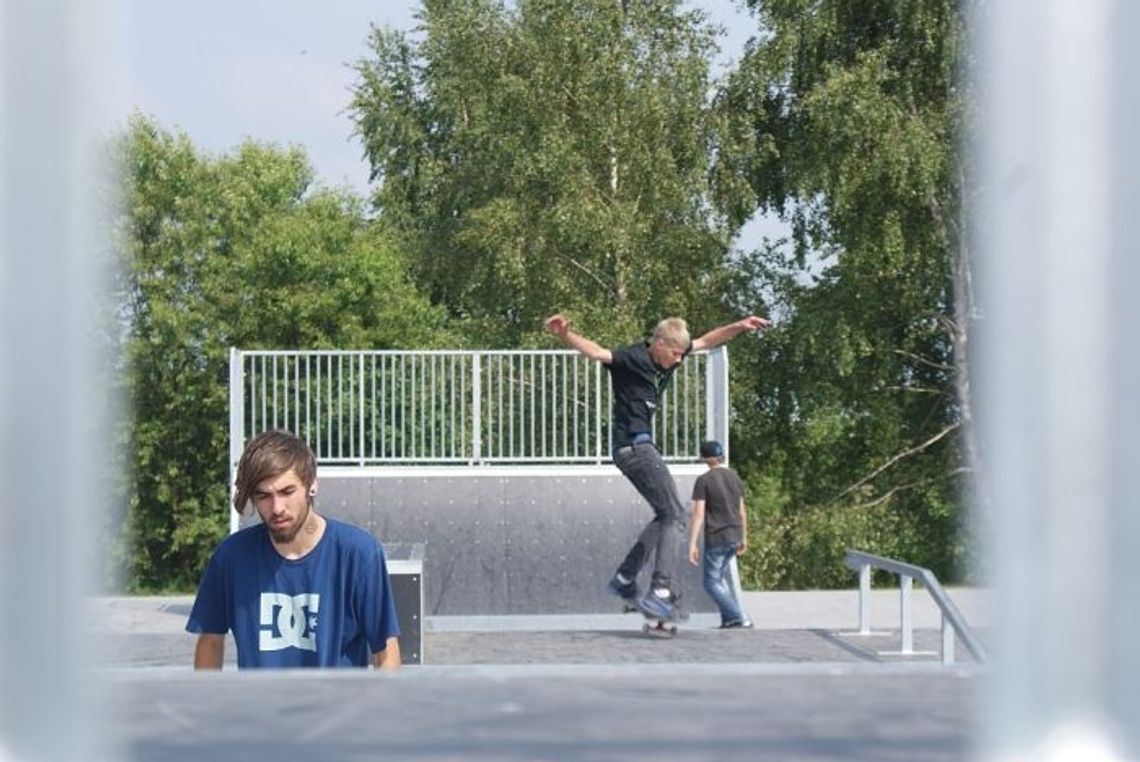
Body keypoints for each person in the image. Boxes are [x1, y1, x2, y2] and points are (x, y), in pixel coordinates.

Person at [544, 312, 770, 621]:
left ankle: (625, 577)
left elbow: (706, 340)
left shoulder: (675, 352)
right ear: (659, 343)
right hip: (636, 447)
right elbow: (596, 352)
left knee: (666, 514)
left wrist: (740, 326)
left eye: (681, 355)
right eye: (674, 354)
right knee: (677, 515)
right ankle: (660, 590)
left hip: (634, 449)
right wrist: (565, 334)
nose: (677, 362)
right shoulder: (630, 358)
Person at [186, 429, 402, 669]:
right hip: (259, 706)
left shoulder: (359, 553)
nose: (277, 507)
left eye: (287, 492)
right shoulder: (231, 557)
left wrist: (383, 705)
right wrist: (205, 704)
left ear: (311, 485)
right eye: (263, 496)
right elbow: (210, 642)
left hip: (340, 705)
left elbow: (385, 651)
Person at [688, 440, 753, 629]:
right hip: (735, 535)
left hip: (717, 537)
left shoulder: (703, 480)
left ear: (705, 459)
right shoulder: (735, 477)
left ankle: (739, 616)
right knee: (719, 579)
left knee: (710, 582)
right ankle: (729, 619)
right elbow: (742, 511)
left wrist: (692, 544)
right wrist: (744, 538)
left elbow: (699, 513)